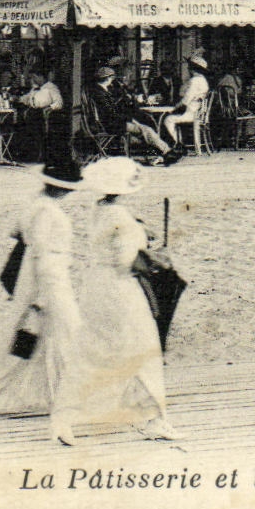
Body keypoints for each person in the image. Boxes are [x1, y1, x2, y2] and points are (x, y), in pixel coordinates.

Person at [0, 148, 88, 445]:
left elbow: (18, 235)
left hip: (33, 275)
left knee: (28, 339)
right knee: (62, 335)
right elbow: (44, 255)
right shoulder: (51, 213)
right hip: (49, 279)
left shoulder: (34, 205)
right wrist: (44, 296)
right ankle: (58, 398)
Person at [74, 157, 180, 441]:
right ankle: (153, 418)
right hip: (120, 287)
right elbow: (127, 261)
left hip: (95, 284)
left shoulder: (100, 209)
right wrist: (156, 257)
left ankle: (112, 406)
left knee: (107, 345)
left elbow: (112, 241)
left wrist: (139, 233)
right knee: (142, 347)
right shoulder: (121, 216)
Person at [88, 66, 178, 165]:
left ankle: (164, 152)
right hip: (111, 125)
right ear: (108, 78)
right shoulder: (101, 94)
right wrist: (129, 119)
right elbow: (111, 113)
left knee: (145, 128)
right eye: (111, 78)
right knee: (146, 129)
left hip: (113, 122)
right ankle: (166, 152)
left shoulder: (101, 91)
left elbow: (113, 111)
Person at [160, 54, 210, 152]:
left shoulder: (195, 81)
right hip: (197, 113)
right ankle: (178, 143)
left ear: (193, 68)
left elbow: (186, 100)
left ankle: (175, 145)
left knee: (168, 119)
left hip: (191, 113)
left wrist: (174, 108)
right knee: (171, 117)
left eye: (189, 66)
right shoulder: (203, 80)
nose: (187, 68)